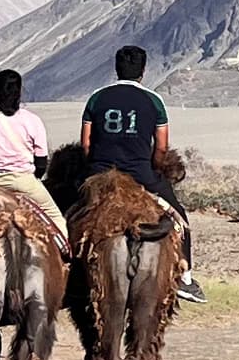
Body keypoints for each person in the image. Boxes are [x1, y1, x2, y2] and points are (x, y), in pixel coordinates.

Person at [81, 45, 204, 303]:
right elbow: (161, 148)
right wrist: (156, 169)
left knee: (69, 213)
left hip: (101, 174)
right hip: (141, 175)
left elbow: (87, 145)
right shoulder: (154, 101)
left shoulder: (96, 98)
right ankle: (186, 278)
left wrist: (96, 165)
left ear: (116, 69)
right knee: (180, 219)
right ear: (143, 71)